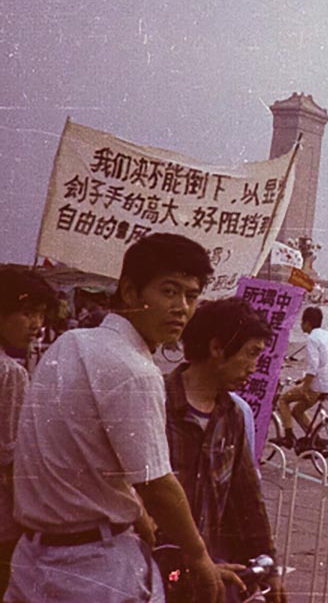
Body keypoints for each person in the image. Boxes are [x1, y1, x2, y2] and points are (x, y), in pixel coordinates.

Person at [8, 233, 230, 603]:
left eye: (191, 296)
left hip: (33, 560)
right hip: (94, 568)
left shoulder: (73, 343)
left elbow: (79, 454)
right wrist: (199, 556)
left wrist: (138, 517)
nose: (182, 308)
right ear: (130, 292)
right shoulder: (133, 370)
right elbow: (157, 484)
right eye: (169, 291)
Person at [166, 298, 286, 602]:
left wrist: (268, 566)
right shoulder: (157, 402)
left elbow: (245, 496)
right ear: (217, 348)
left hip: (207, 575)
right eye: (251, 354)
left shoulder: (232, 414)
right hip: (157, 572)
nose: (254, 367)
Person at [0, 267, 55, 598]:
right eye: (26, 313)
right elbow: (12, 458)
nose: (36, 324)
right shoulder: (10, 373)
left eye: (40, 314)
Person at [274, 307, 328, 450]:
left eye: (302, 322)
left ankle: (288, 437)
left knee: (283, 400)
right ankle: (316, 440)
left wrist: (304, 387)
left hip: (318, 385)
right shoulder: (327, 335)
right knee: (297, 411)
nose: (301, 325)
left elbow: (313, 367)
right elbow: (322, 364)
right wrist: (303, 380)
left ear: (308, 323)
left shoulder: (312, 338)